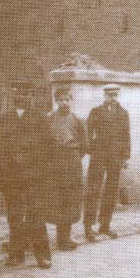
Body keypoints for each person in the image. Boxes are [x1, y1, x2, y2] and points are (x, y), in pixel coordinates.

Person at [0, 88, 52, 268]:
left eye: (26, 94)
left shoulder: (40, 119)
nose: (22, 97)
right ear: (13, 97)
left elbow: (49, 148)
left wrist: (41, 171)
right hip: (12, 178)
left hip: (34, 177)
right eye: (18, 94)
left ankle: (42, 255)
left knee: (36, 215)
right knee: (15, 216)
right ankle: (16, 254)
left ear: (30, 97)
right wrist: (0, 173)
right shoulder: (3, 119)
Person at [84, 83, 130, 241]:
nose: (113, 98)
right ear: (104, 96)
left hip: (115, 156)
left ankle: (105, 225)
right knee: (93, 190)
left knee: (111, 191)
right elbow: (88, 132)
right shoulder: (96, 112)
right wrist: (91, 149)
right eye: (110, 95)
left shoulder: (123, 113)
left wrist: (125, 156)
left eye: (115, 95)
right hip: (99, 155)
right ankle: (88, 226)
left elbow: (126, 136)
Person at [46, 87, 88, 250]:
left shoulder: (78, 119)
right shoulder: (49, 118)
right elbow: (44, 142)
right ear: (56, 101)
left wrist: (74, 157)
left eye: (67, 99)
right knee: (57, 199)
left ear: (71, 100)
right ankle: (58, 238)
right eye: (61, 100)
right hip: (54, 162)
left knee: (71, 199)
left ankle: (65, 238)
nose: (64, 102)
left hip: (72, 162)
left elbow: (84, 145)